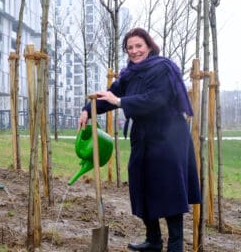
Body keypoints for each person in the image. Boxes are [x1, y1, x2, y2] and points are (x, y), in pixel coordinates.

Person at [78, 28, 201, 252]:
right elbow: (110, 96)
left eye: (139, 46)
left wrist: (120, 101)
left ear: (149, 46)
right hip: (143, 136)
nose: (134, 51)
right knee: (141, 184)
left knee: (169, 189)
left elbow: (157, 99)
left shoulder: (162, 67)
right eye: (130, 47)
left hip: (168, 136)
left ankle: (175, 246)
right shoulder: (129, 74)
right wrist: (88, 109)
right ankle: (153, 240)